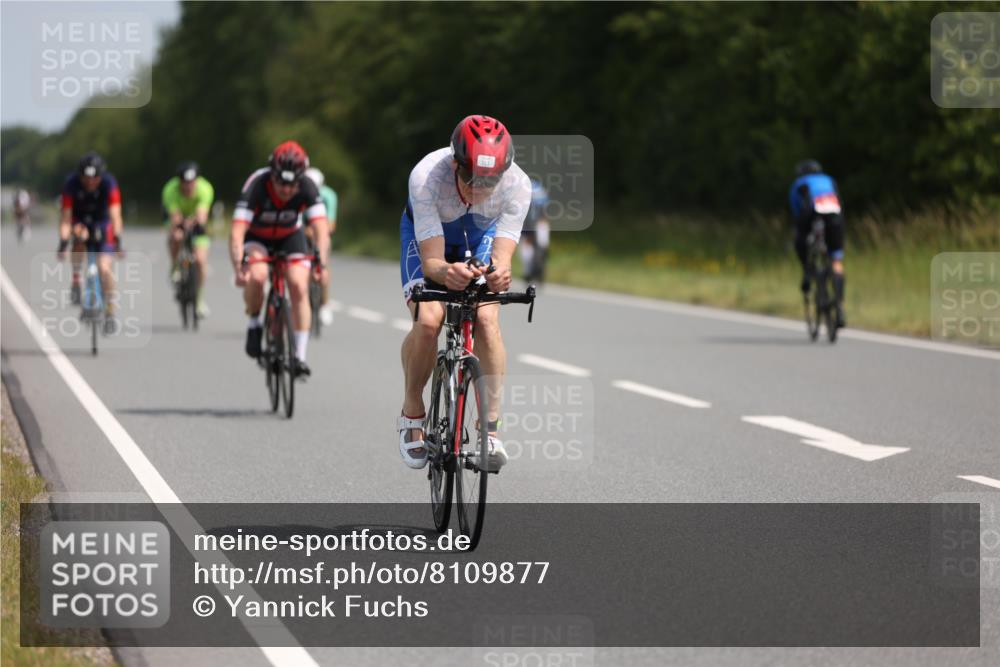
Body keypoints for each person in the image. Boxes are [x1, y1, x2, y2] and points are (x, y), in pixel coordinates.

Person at [397, 114, 531, 470]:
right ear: (455, 162)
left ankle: (490, 430)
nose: (479, 187)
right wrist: (446, 272)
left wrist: (499, 275)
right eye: (470, 176)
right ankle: (412, 413)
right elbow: (432, 263)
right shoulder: (426, 177)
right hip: (429, 236)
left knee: (487, 317)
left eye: (490, 180)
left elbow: (501, 257)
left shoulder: (519, 184)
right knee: (428, 319)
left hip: (480, 235)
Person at [230, 141, 329, 377]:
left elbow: (321, 230)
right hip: (257, 237)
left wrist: (321, 263)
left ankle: (299, 356)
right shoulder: (256, 185)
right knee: (258, 275)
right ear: (272, 175)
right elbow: (236, 232)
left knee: (298, 284)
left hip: (290, 236)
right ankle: (254, 323)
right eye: (281, 183)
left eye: (292, 184)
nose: (286, 190)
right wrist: (238, 266)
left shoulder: (308, 186)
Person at [57, 151, 124, 334]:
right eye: (86, 178)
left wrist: (118, 240)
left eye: (95, 178)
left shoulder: (109, 184)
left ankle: (110, 308)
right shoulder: (70, 185)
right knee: (78, 239)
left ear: (100, 176)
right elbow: (65, 219)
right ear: (80, 176)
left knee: (104, 267)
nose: (90, 182)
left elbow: (115, 215)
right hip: (80, 221)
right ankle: (76, 279)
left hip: (103, 223)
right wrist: (63, 243)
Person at [790, 159, 846, 328]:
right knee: (836, 260)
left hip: (811, 211)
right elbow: (840, 201)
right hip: (834, 213)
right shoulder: (829, 180)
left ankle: (807, 271)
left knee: (800, 239)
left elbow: (796, 209)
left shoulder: (799, 183)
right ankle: (840, 305)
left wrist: (802, 229)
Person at [162, 161, 214, 317]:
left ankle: (199, 300)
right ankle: (175, 266)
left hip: (196, 220)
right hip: (177, 219)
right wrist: (180, 225)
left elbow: (202, 215)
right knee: (177, 236)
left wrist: (196, 223)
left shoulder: (205, 188)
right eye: (185, 183)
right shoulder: (170, 190)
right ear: (180, 182)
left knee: (200, 260)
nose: (188, 187)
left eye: (191, 183)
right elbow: (175, 216)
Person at [304, 167, 339, 326]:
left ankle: (324, 304)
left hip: (322, 230)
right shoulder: (299, 192)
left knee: (323, 263)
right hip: (303, 230)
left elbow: (331, 224)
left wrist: (319, 233)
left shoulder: (329, 195)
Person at [518, 178, 550, 284]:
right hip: (538, 223)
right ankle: (534, 269)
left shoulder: (522, 191)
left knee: (528, 246)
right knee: (541, 247)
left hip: (530, 224)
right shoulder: (540, 191)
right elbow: (544, 212)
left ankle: (529, 271)